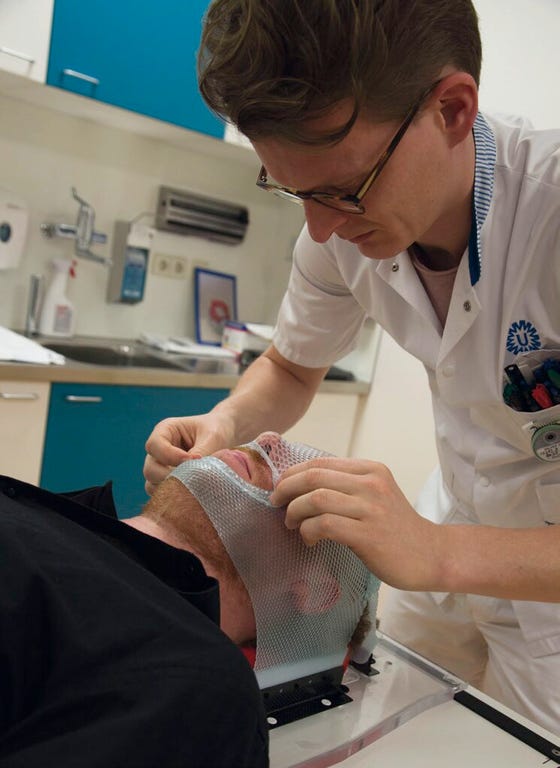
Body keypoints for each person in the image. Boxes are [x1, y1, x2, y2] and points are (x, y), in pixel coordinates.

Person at [143, 0, 560, 733]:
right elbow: (293, 367)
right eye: (294, 190)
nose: (321, 228)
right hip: (452, 527)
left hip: (524, 574)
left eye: (343, 190)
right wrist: (228, 422)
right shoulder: (337, 226)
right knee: (391, 725)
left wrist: (436, 552)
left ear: (453, 110)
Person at [0, 432, 372, 767]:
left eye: (309, 481)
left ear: (316, 590)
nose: (269, 439)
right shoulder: (61, 519)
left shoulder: (199, 692)